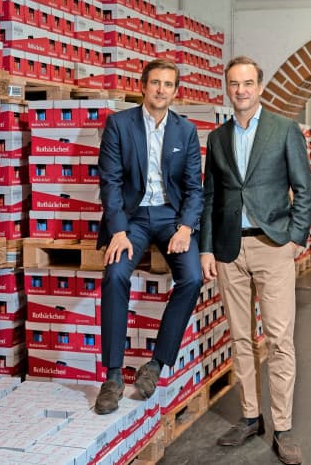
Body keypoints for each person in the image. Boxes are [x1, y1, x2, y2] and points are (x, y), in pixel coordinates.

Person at [199, 56, 311, 465]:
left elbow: (304, 188)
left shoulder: (284, 129)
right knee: (240, 337)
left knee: (280, 339)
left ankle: (282, 427)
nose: (241, 90)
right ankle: (251, 416)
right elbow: (211, 197)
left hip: (273, 245)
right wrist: (207, 248)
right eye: (234, 84)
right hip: (230, 249)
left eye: (248, 83)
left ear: (259, 87)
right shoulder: (217, 138)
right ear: (227, 88)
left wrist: (295, 238)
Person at [95, 58, 204, 415]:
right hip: (133, 218)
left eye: (168, 84)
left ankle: (155, 365)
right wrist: (118, 230)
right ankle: (113, 376)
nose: (161, 90)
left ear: (175, 91)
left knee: (192, 278)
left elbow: (194, 187)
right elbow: (110, 182)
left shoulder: (185, 130)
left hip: (172, 217)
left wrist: (186, 227)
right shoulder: (119, 124)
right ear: (142, 86)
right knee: (115, 274)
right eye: (155, 82)